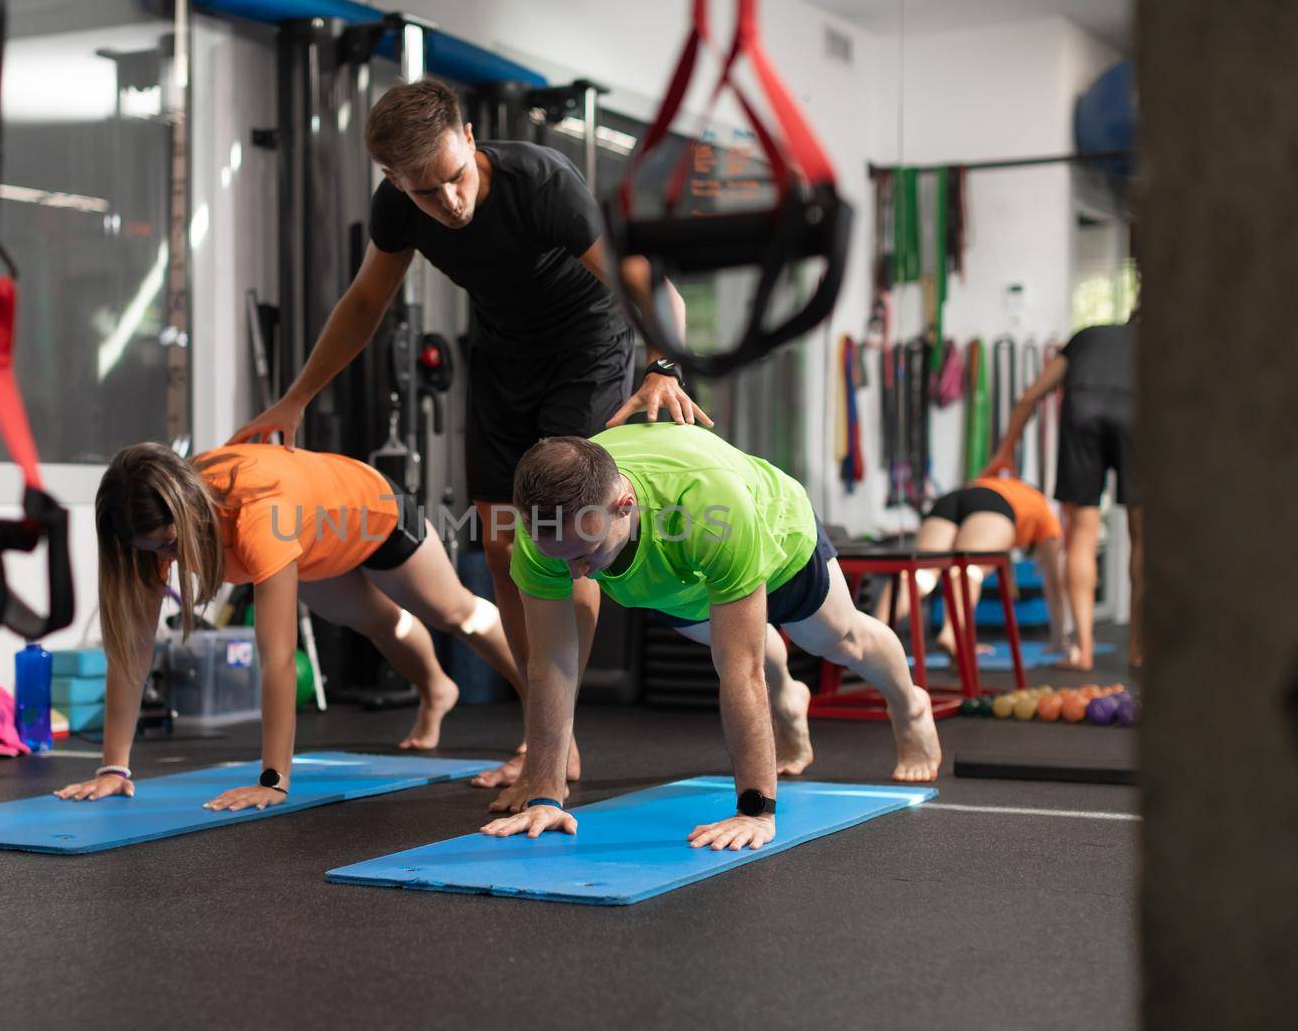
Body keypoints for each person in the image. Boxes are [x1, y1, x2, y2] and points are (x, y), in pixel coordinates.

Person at [231, 78, 706, 791]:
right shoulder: (399, 207)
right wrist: (294, 401)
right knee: (501, 544)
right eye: (424, 191)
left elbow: (646, 283)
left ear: (471, 139)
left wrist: (663, 364)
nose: (448, 201)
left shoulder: (541, 183)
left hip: (585, 346)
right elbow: (365, 302)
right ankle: (543, 728)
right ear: (393, 179)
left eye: (455, 177)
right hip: (500, 358)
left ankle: (556, 743)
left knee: (561, 537)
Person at [479, 424, 942, 851]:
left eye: (587, 553)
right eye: (560, 557)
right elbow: (551, 663)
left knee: (836, 640)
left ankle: (909, 702)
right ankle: (788, 697)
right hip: (676, 575)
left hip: (775, 539)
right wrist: (545, 797)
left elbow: (741, 671)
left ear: (624, 505)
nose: (575, 573)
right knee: (747, 646)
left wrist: (756, 811)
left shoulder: (706, 505)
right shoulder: (545, 538)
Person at [55, 441, 520, 810]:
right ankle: (437, 688)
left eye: (170, 548)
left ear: (190, 512)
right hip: (315, 541)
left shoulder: (259, 516)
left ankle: (543, 712)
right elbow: (132, 646)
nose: (165, 562)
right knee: (380, 624)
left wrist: (273, 780)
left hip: (372, 513)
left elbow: (277, 657)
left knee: (456, 614)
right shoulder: (155, 523)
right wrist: (114, 768)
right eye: (152, 551)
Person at [984, 314, 1140, 669]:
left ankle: (1082, 651)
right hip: (1136, 408)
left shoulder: (1086, 336)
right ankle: (1138, 650)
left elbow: (1029, 396)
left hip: (1081, 406)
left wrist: (1005, 449)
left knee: (1083, 532)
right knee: (1142, 538)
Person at [875, 475, 1068, 663]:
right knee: (970, 570)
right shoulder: (1045, 513)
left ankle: (875, 630)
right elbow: (1054, 582)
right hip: (992, 506)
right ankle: (951, 634)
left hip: (953, 499)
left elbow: (1003, 556)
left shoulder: (1013, 492)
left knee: (923, 573)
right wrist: (1060, 639)